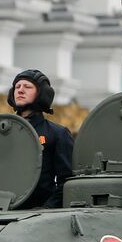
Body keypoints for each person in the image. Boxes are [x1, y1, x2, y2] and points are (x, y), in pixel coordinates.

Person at [7, 69, 73, 209]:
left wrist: (48, 207)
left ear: (41, 94)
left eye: (28, 87)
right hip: (3, 207)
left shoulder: (56, 134)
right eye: (17, 87)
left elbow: (67, 181)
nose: (20, 90)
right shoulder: (3, 131)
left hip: (39, 209)